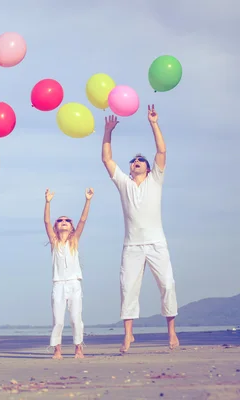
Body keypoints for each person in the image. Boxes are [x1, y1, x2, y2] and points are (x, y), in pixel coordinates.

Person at [101, 104, 179, 353]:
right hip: (132, 246)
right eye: (133, 161)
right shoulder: (124, 183)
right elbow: (106, 159)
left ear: (147, 167)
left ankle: (172, 333)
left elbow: (162, 150)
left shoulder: (156, 179)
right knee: (128, 288)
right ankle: (128, 336)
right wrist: (108, 131)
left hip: (157, 243)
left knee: (167, 284)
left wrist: (154, 124)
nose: (135, 162)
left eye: (139, 160)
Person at [43, 187, 94, 359]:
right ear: (57, 227)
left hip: (74, 283)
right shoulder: (54, 242)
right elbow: (46, 223)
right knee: (58, 320)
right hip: (58, 284)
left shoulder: (74, 240)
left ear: (71, 227)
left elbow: (83, 220)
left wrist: (88, 200)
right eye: (60, 220)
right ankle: (57, 350)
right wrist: (47, 202)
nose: (64, 221)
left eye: (67, 220)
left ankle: (78, 348)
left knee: (75, 319)